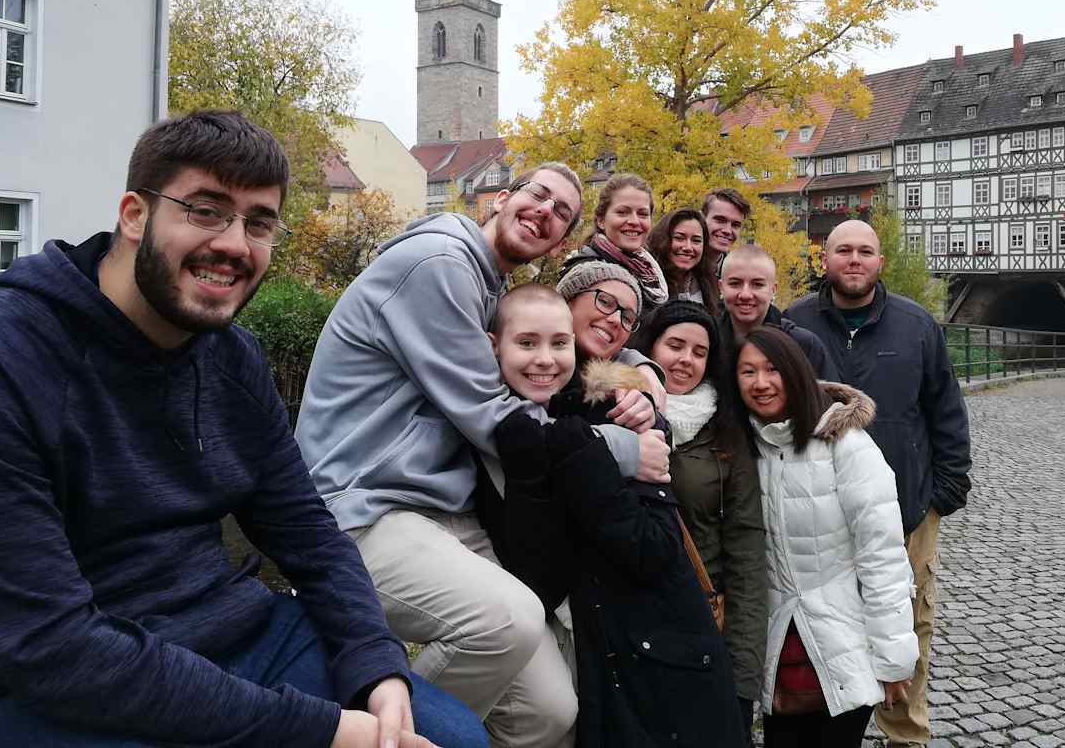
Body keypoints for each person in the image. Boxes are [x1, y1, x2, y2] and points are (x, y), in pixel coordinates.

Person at [0, 110, 483, 748]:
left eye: (259, 222)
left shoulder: (231, 356)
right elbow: (49, 645)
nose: (234, 244)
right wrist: (322, 730)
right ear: (134, 215)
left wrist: (375, 663)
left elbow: (310, 534)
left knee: (452, 736)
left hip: (234, 635)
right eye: (205, 210)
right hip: (39, 689)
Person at [294, 164, 668, 748]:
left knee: (549, 711)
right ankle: (352, 734)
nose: (546, 210)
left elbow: (545, 377)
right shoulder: (440, 264)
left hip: (439, 512)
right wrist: (625, 449)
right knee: (506, 620)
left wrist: (636, 374)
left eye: (562, 211)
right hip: (360, 506)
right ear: (500, 198)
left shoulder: (489, 287)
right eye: (538, 194)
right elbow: (498, 420)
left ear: (562, 239)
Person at [484, 276, 744, 747]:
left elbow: (653, 546)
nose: (545, 357)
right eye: (528, 341)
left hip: (662, 659)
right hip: (593, 653)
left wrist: (578, 449)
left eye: (628, 315)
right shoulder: (493, 425)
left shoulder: (621, 406)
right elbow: (538, 576)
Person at [783, 219, 972, 748]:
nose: (854, 260)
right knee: (822, 626)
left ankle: (904, 736)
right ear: (825, 258)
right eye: (843, 250)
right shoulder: (794, 322)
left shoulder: (916, 325)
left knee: (909, 626)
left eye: (865, 251)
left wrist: (944, 494)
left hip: (907, 509)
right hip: (817, 513)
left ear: (880, 261)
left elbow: (946, 409)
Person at [734, 326, 917, 748]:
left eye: (773, 369)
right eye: (748, 372)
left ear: (796, 372)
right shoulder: (742, 444)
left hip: (842, 638)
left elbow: (882, 557)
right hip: (777, 645)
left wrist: (893, 660)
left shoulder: (846, 445)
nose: (761, 383)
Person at [632, 299, 766, 743]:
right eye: (675, 345)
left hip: (698, 620)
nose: (685, 360)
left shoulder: (726, 430)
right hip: (625, 621)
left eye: (699, 351)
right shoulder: (613, 410)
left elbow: (746, 550)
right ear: (650, 347)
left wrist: (743, 678)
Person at [718, 244, 837, 382]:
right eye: (735, 283)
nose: (745, 294)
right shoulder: (707, 343)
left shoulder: (802, 345)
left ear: (773, 290)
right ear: (721, 287)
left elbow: (829, 400)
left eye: (757, 284)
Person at [561, 172, 668, 313]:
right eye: (622, 212)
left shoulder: (650, 272)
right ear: (601, 220)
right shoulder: (585, 274)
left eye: (642, 214)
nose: (634, 221)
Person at [646, 207, 720, 315]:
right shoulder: (647, 284)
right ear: (662, 239)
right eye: (679, 238)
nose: (688, 247)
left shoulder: (708, 283)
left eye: (696, 240)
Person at [701, 187, 750, 276]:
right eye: (720, 220)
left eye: (735, 225)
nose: (727, 231)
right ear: (701, 218)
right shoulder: (674, 269)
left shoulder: (739, 275)